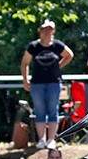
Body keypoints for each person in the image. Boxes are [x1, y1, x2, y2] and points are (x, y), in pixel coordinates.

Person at [20, 19, 74, 149]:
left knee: (53, 110)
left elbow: (69, 55)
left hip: (54, 83)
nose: (47, 32)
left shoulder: (57, 45)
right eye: (45, 29)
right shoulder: (33, 46)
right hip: (37, 83)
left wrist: (58, 66)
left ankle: (51, 139)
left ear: (53, 31)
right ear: (40, 31)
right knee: (39, 111)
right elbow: (25, 63)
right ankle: (41, 139)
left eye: (50, 29)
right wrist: (25, 79)